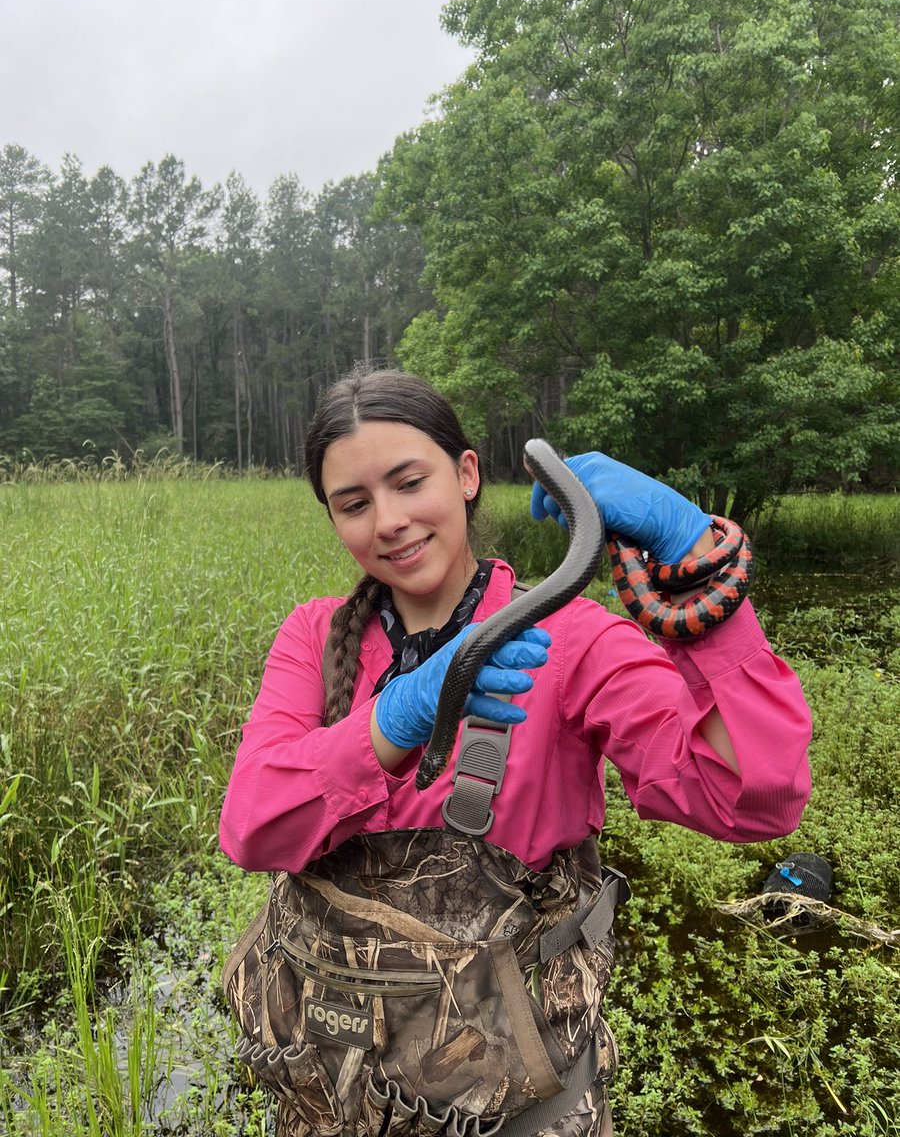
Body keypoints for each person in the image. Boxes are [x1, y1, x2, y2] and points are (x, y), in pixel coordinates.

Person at [220, 366, 812, 1137]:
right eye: (354, 503)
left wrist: (697, 559)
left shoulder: (571, 641)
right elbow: (252, 827)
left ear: (466, 474)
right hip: (333, 1089)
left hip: (517, 1103)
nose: (389, 521)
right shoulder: (315, 636)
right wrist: (398, 715)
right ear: (333, 518)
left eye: (409, 482)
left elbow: (751, 795)